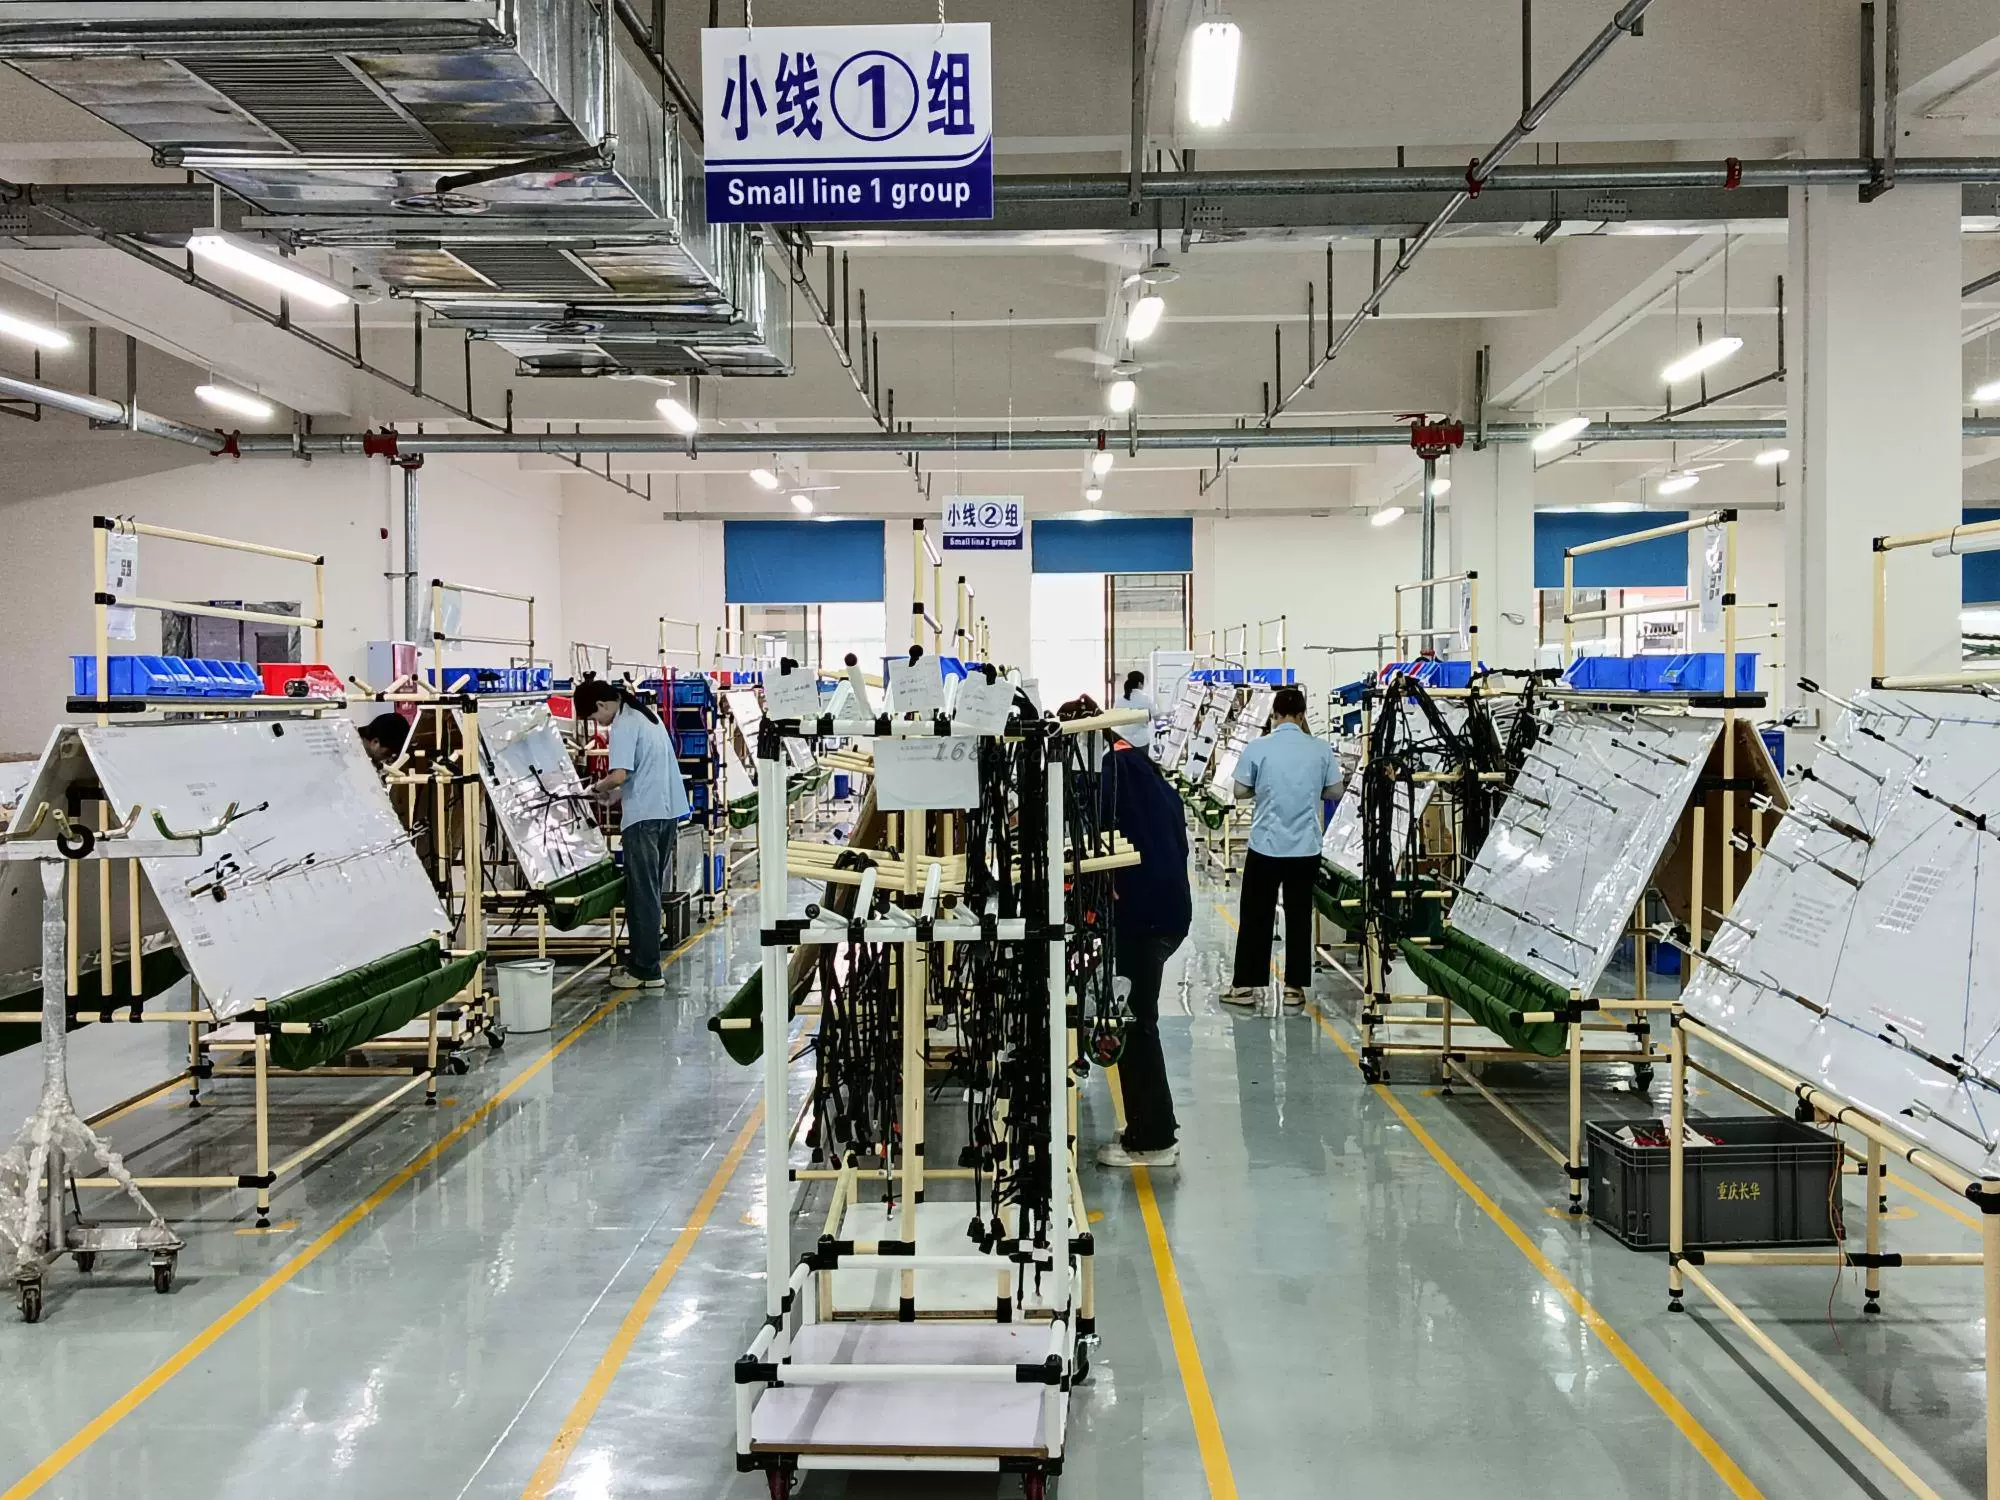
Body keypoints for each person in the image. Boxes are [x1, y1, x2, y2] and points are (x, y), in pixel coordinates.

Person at [1094, 723, 1191, 1168]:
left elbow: (1089, 838)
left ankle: (1154, 1140)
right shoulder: (1149, 776)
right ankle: (1144, 1125)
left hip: (1143, 918)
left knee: (1135, 1022)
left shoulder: (1110, 776)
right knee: (1134, 1018)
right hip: (1168, 914)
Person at [1224, 685, 1340, 1012]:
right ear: (1302, 716)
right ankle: (1293, 989)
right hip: (1305, 847)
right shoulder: (1320, 749)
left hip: (1266, 845)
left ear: (1273, 714)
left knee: (1256, 915)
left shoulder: (1258, 746)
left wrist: (1264, 788)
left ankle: (1245, 987)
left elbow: (1240, 790)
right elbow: (1334, 791)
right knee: (1299, 916)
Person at [574, 677, 690, 991]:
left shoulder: (624, 725)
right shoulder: (647, 717)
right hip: (665, 813)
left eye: (594, 716)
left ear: (601, 705)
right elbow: (642, 771)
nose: (598, 723)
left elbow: (618, 775)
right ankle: (647, 963)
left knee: (641, 895)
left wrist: (594, 789)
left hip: (644, 819)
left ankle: (646, 970)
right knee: (650, 891)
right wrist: (615, 795)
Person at [1115, 670, 1153, 749]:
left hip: (1123, 741)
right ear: (1139, 684)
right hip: (1141, 741)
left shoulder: (1119, 699)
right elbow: (1151, 716)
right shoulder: (1146, 698)